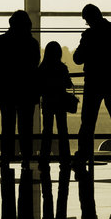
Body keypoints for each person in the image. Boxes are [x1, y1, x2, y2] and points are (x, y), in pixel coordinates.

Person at [73, 4, 111, 171]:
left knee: (87, 122)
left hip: (94, 82)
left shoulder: (89, 35)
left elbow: (77, 59)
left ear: (89, 19)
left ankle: (84, 154)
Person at [0, 10, 41, 169]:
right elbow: (34, 65)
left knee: (7, 125)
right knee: (26, 127)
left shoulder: (2, 41)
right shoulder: (32, 43)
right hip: (27, 89)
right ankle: (26, 157)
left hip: (7, 89)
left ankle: (6, 157)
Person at [38, 41, 73, 169]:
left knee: (47, 131)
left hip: (47, 101)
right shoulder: (62, 68)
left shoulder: (42, 68)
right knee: (63, 130)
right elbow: (68, 84)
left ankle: (44, 158)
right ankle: (65, 158)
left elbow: (39, 86)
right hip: (60, 101)